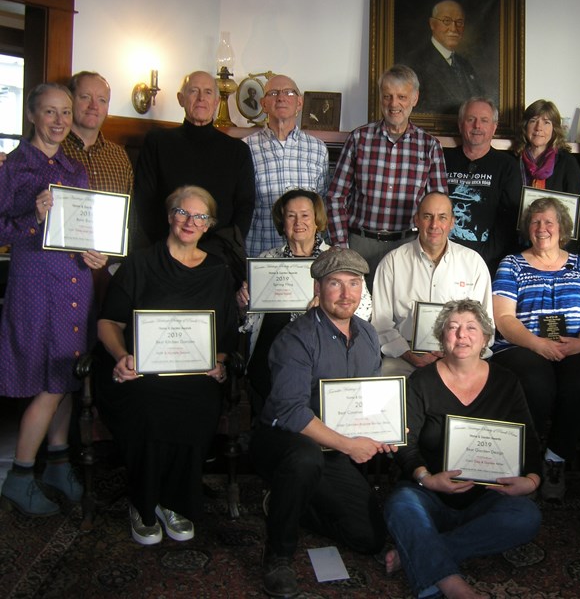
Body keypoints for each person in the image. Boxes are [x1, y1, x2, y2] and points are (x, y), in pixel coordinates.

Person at [250, 248, 397, 598]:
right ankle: (278, 556)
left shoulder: (367, 334)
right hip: (282, 441)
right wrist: (349, 445)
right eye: (335, 283)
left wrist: (388, 429)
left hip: (331, 449)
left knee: (369, 538)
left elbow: (369, 398)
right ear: (317, 287)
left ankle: (286, 501)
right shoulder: (295, 338)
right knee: (304, 459)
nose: (346, 294)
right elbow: (290, 412)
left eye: (354, 283)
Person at [96, 185, 238, 545]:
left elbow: (225, 333)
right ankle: (143, 504)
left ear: (209, 224)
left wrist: (219, 362)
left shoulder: (218, 271)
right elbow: (109, 323)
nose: (190, 222)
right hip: (140, 371)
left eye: (200, 216)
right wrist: (120, 357)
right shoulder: (139, 264)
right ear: (169, 216)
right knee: (149, 402)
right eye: (182, 213)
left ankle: (174, 502)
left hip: (195, 374)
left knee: (201, 402)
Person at [383, 300, 542, 599]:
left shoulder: (506, 382)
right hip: (429, 495)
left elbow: (529, 442)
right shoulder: (422, 380)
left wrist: (532, 481)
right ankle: (455, 587)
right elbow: (406, 442)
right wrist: (426, 478)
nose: (462, 335)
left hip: (487, 497)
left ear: (485, 337)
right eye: (452, 328)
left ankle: (419, 551)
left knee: (526, 515)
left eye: (471, 328)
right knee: (400, 504)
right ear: (442, 337)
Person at [0, 83, 108, 516]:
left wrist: (93, 252)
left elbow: (82, 229)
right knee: (47, 382)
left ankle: (58, 463)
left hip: (75, 282)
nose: (61, 120)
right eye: (50, 112)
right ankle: (20, 475)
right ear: (32, 115)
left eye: (66, 112)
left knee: (68, 373)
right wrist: (33, 218)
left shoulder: (75, 169)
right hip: (36, 286)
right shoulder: (13, 168)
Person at [492, 197, 580, 502]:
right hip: (521, 344)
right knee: (536, 383)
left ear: (562, 228)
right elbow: (503, 318)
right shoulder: (511, 264)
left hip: (575, 344)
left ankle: (555, 458)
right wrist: (537, 344)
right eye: (535, 222)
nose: (541, 228)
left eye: (549, 222)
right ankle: (529, 461)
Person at [236, 189, 372, 415]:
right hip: (268, 362)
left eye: (305, 215)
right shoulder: (266, 260)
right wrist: (243, 304)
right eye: (290, 216)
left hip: (324, 364)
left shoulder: (340, 259)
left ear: (317, 220)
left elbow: (364, 312)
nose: (298, 222)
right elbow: (248, 323)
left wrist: (329, 312)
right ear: (283, 221)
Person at [326, 64, 448, 284]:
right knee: (356, 312)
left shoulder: (430, 146)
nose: (394, 104)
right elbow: (335, 197)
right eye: (387, 96)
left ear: (415, 98)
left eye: (402, 96)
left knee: (403, 313)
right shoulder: (359, 139)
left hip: (408, 245)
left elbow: (439, 206)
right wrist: (342, 248)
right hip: (360, 245)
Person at [134, 71, 255, 280]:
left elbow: (244, 207)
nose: (201, 98)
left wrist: (214, 252)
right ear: (181, 99)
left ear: (217, 101)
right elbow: (145, 201)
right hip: (165, 256)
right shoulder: (157, 143)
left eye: (208, 92)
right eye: (194, 91)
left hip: (218, 260)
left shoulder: (237, 151)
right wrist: (171, 248)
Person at [372, 192, 492, 377]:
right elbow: (381, 324)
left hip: (461, 354)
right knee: (385, 377)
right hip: (406, 356)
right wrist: (409, 355)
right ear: (417, 220)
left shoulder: (473, 263)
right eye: (427, 216)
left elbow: (486, 325)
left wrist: (457, 353)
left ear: (452, 222)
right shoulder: (392, 263)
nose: (434, 225)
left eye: (442, 217)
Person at [61, 71, 135, 301]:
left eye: (102, 100)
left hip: (106, 271)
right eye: (85, 97)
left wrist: (114, 257)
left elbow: (129, 217)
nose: (94, 105)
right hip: (59, 270)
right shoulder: (52, 149)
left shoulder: (118, 156)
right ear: (70, 101)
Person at [243, 74, 329, 257]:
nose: (281, 97)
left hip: (308, 257)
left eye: (288, 93)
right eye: (273, 93)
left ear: (299, 102)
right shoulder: (245, 148)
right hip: (260, 252)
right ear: (263, 103)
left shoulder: (318, 148)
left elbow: (322, 206)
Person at [444, 97, 522, 274]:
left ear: (494, 127)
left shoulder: (507, 166)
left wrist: (478, 257)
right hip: (443, 258)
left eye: (484, 120)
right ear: (460, 124)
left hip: (487, 263)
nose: (477, 126)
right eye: (471, 119)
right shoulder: (442, 159)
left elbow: (508, 221)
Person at [407, 0, 485, 115]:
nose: (454, 28)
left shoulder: (465, 65)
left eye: (459, 22)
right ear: (432, 24)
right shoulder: (415, 63)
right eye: (447, 21)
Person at [514, 100, 580, 196]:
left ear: (554, 129)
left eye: (546, 122)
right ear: (525, 126)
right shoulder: (513, 162)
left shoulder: (568, 163)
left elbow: (577, 207)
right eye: (533, 121)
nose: (538, 128)